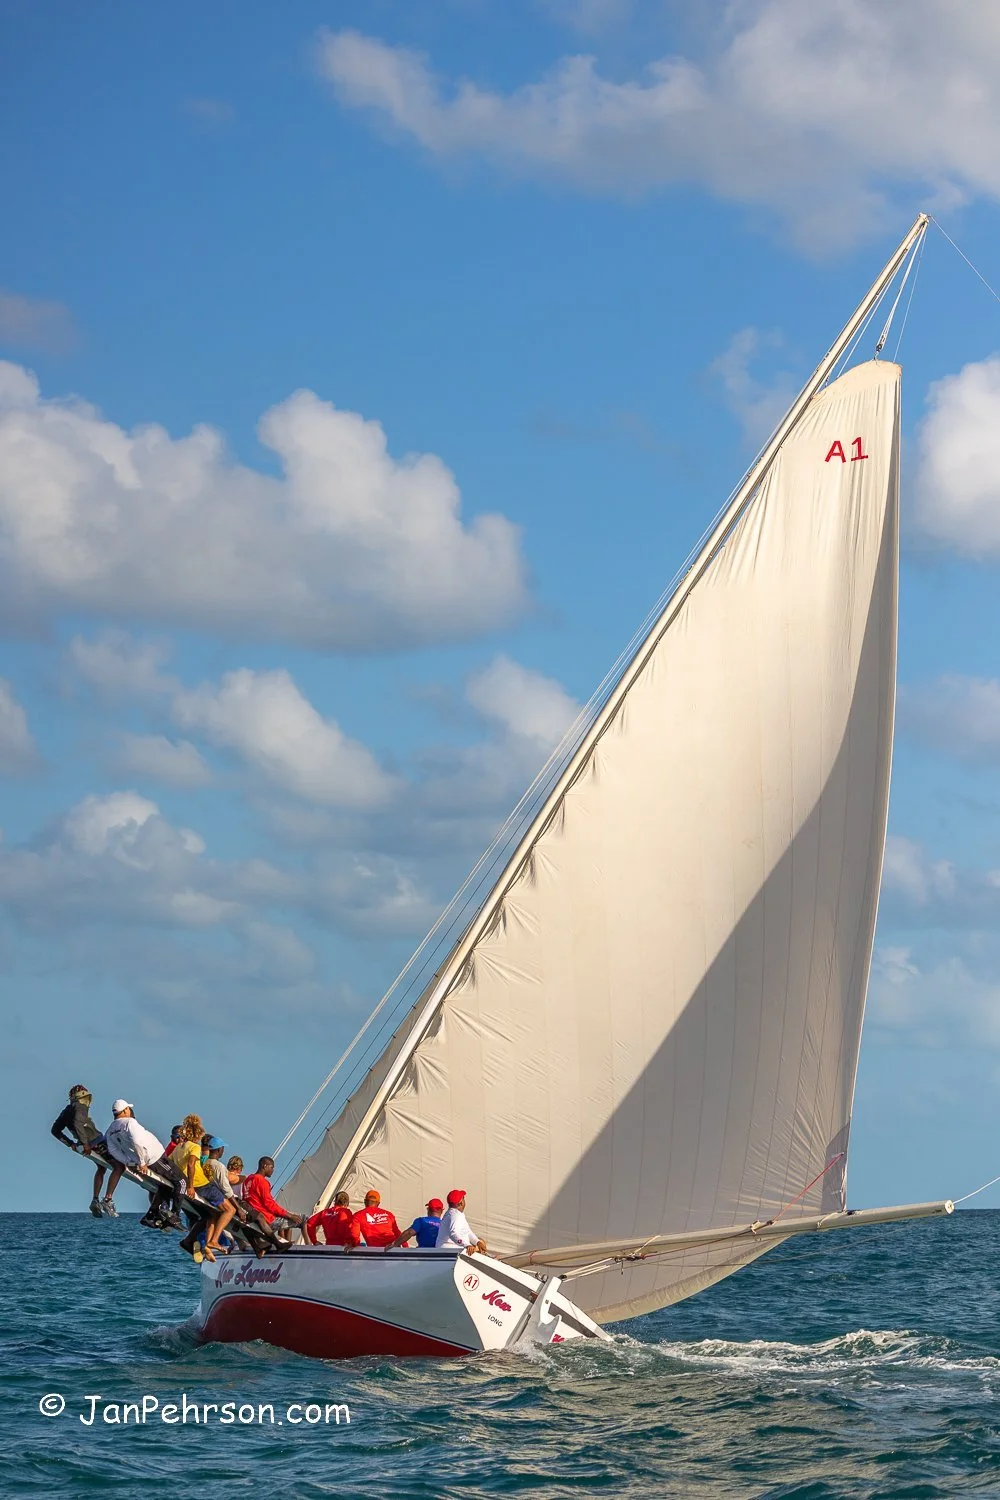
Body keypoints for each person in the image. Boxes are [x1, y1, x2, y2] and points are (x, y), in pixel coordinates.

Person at [103, 1101, 180, 1220]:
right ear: (124, 1110)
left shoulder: (110, 1129)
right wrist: (142, 1162)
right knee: (180, 1181)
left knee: (162, 1185)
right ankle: (173, 1216)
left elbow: (113, 1150)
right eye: (128, 1108)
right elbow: (137, 1142)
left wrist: (128, 1162)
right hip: (153, 1159)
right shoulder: (130, 1122)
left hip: (139, 1161)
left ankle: (156, 1213)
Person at [51, 1085, 106, 1216]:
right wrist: (86, 1144)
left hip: (85, 1144)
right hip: (97, 1142)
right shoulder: (80, 1105)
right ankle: (108, 1199)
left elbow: (55, 1130)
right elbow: (77, 1123)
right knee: (119, 1165)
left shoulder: (67, 1110)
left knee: (101, 1168)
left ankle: (95, 1199)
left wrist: (71, 1144)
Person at [241, 1157, 304, 1249]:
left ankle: (284, 1242)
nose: (273, 1170)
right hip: (267, 1219)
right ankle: (309, 1245)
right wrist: (290, 1215)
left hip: (254, 1217)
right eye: (271, 1167)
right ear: (264, 1166)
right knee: (304, 1220)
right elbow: (269, 1204)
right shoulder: (262, 1181)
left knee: (287, 1218)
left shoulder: (248, 1180)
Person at [198, 1138, 239, 1261]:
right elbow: (226, 1188)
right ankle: (215, 1240)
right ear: (219, 1150)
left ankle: (208, 1244)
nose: (223, 1151)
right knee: (230, 1210)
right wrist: (238, 1208)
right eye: (223, 1149)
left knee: (213, 1215)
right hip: (214, 1194)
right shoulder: (218, 1166)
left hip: (205, 1195)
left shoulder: (204, 1163)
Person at [435, 1189, 487, 1254]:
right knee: (480, 1247)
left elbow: (467, 1232)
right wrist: (466, 1245)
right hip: (450, 1249)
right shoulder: (455, 1215)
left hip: (450, 1248)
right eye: (463, 1198)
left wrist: (477, 1242)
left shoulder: (455, 1213)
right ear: (461, 1202)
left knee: (480, 1242)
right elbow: (453, 1234)